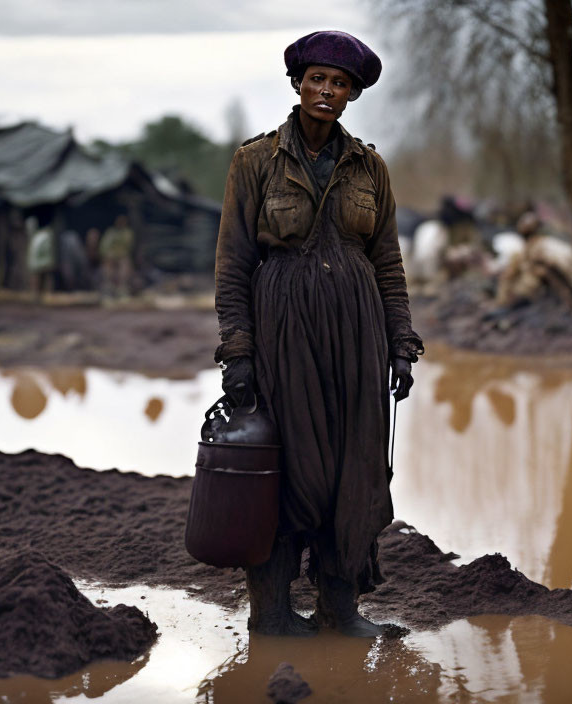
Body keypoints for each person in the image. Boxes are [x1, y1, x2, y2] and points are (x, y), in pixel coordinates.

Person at [214, 30, 423, 638]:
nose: (327, 91)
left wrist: (401, 341)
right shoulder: (255, 161)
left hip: (357, 340)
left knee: (354, 469)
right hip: (283, 336)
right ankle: (273, 614)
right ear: (297, 83)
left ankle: (340, 610)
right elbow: (232, 265)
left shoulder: (369, 167)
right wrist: (238, 352)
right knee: (286, 468)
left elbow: (387, 261)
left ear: (352, 94)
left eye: (340, 84)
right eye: (317, 80)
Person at [99, 215, 135, 298]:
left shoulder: (128, 233)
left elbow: (127, 246)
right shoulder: (110, 232)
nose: (121, 223)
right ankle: (108, 290)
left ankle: (122, 290)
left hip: (122, 257)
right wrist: (109, 255)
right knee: (108, 267)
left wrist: (117, 255)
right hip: (110, 258)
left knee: (124, 264)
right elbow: (104, 247)